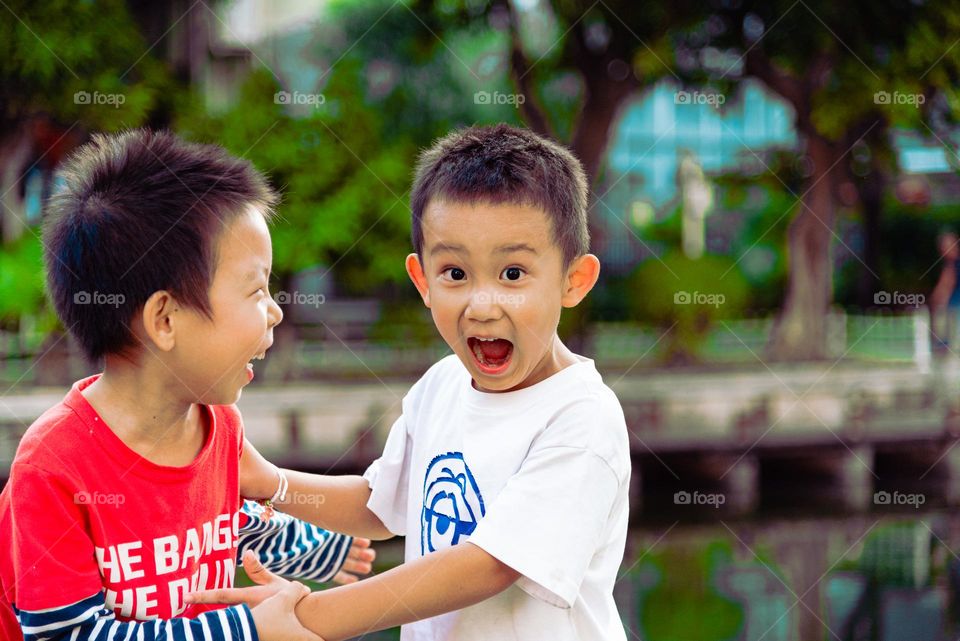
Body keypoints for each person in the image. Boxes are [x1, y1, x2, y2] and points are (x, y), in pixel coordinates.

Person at [189, 124, 632, 641]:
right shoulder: (442, 384)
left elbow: (487, 565)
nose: (481, 305)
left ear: (573, 281)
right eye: (455, 274)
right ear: (422, 280)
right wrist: (268, 482)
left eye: (513, 274)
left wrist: (304, 618)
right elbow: (380, 504)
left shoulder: (582, 417)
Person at [0, 130, 376, 641]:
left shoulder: (217, 425)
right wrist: (246, 629)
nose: (276, 310)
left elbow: (224, 525)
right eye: (256, 289)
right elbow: (67, 634)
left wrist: (324, 547)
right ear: (166, 319)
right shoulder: (53, 466)